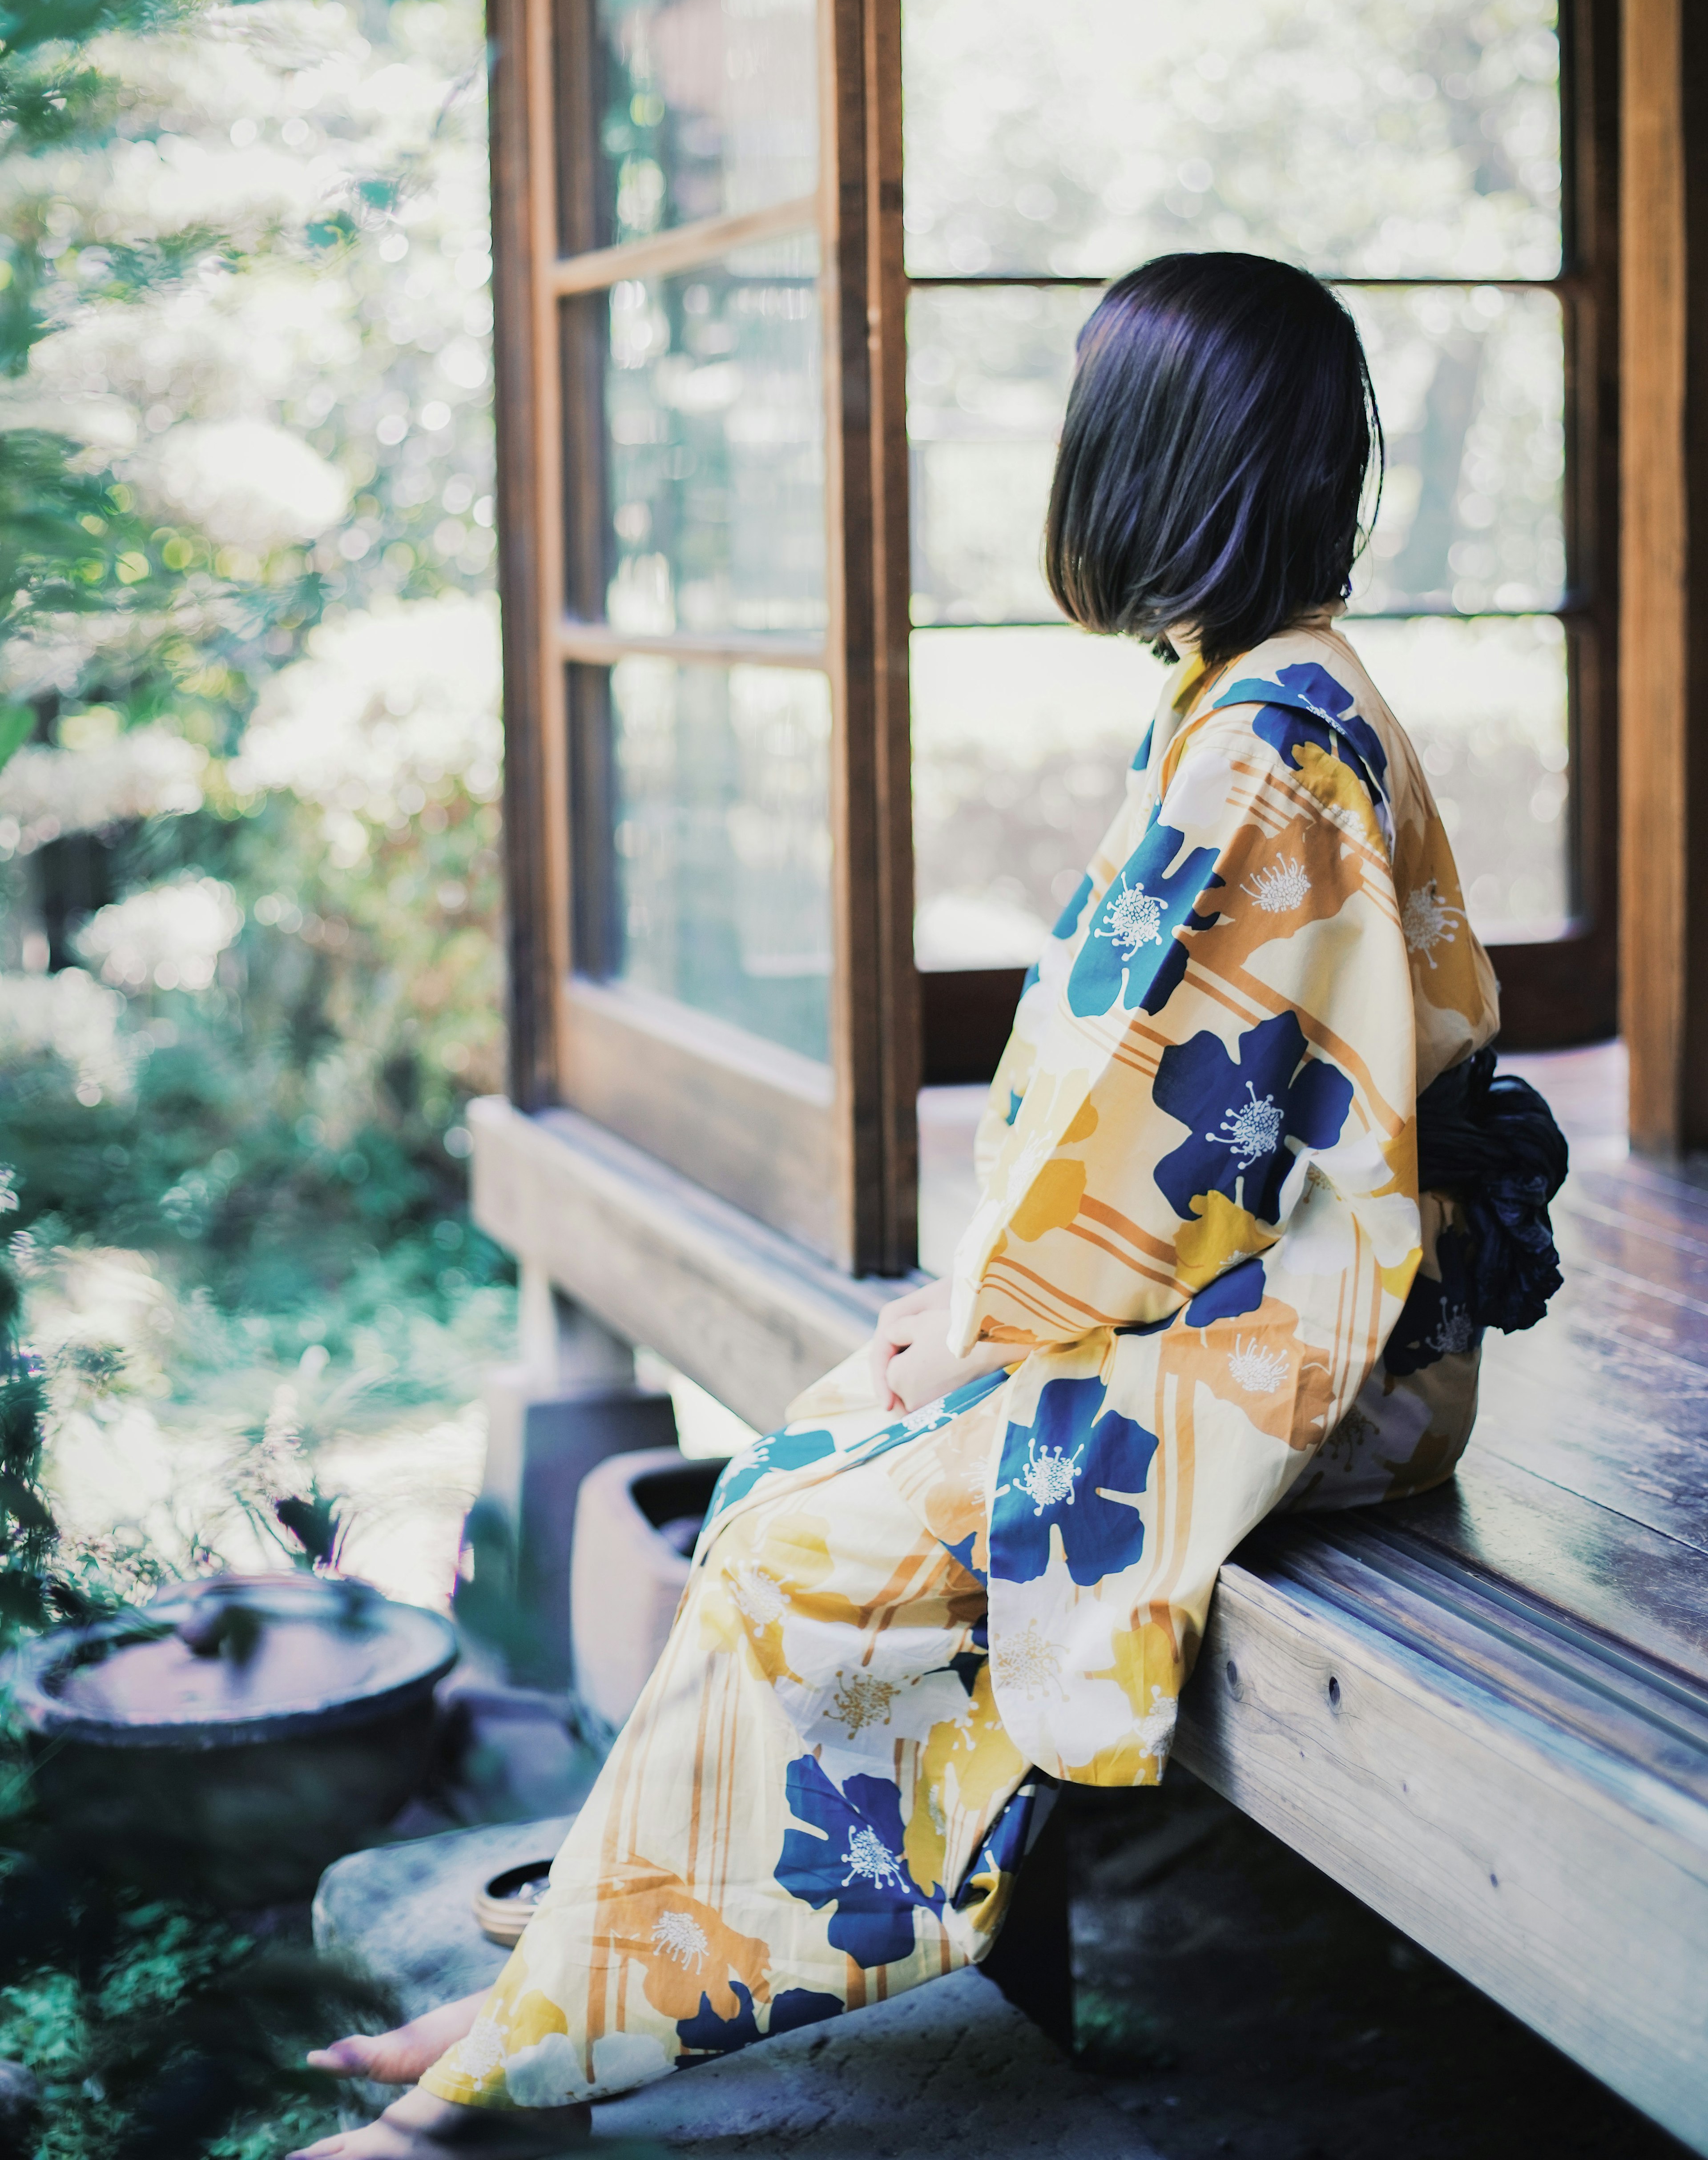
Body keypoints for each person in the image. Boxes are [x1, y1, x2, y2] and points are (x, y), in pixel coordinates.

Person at [291, 252, 1565, 2157]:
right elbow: (1145, 1124)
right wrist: (968, 1316)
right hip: (1262, 1309)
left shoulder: (1269, 744)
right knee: (787, 1481)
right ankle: (568, 1986)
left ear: (1150, 461)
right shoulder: (1252, 696)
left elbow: (1174, 1162)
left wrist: (975, 1324)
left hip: (1315, 1349)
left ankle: (523, 2062)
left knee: (811, 1551)